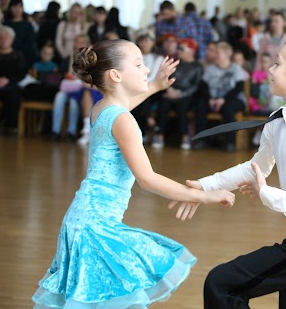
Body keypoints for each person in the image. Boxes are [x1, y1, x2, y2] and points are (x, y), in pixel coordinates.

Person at [31, 39, 235, 308]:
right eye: (139, 64)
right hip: (95, 227)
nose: (147, 70)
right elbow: (147, 179)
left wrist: (155, 87)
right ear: (115, 75)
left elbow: (124, 107)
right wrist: (204, 195)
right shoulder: (121, 119)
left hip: (83, 220)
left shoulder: (102, 109)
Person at [184, 33, 286, 309]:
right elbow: (256, 167)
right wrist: (203, 186)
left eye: (277, 63)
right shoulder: (278, 120)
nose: (269, 70)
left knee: (221, 285)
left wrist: (267, 194)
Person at [152, 38, 203, 150]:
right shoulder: (175, 62)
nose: (178, 50)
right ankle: (159, 134)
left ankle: (185, 136)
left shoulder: (197, 66)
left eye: (182, 48)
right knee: (164, 102)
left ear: (191, 50)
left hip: (187, 96)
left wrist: (181, 94)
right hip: (171, 92)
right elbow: (166, 77)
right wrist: (169, 89)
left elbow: (196, 85)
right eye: (178, 48)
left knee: (182, 105)